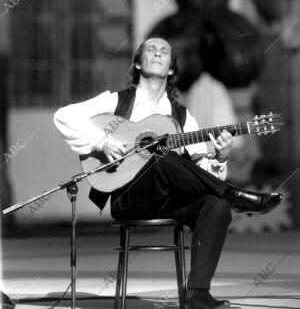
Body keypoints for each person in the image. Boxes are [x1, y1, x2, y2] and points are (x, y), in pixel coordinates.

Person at [54, 36, 282, 309]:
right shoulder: (116, 102)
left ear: (171, 69)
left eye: (165, 51)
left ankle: (197, 293)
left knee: (216, 204)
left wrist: (220, 159)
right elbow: (63, 116)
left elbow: (200, 173)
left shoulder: (182, 117)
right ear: (138, 62)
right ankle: (237, 195)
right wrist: (102, 142)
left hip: (169, 199)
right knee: (162, 156)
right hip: (128, 197)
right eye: (151, 49)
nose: (158, 53)